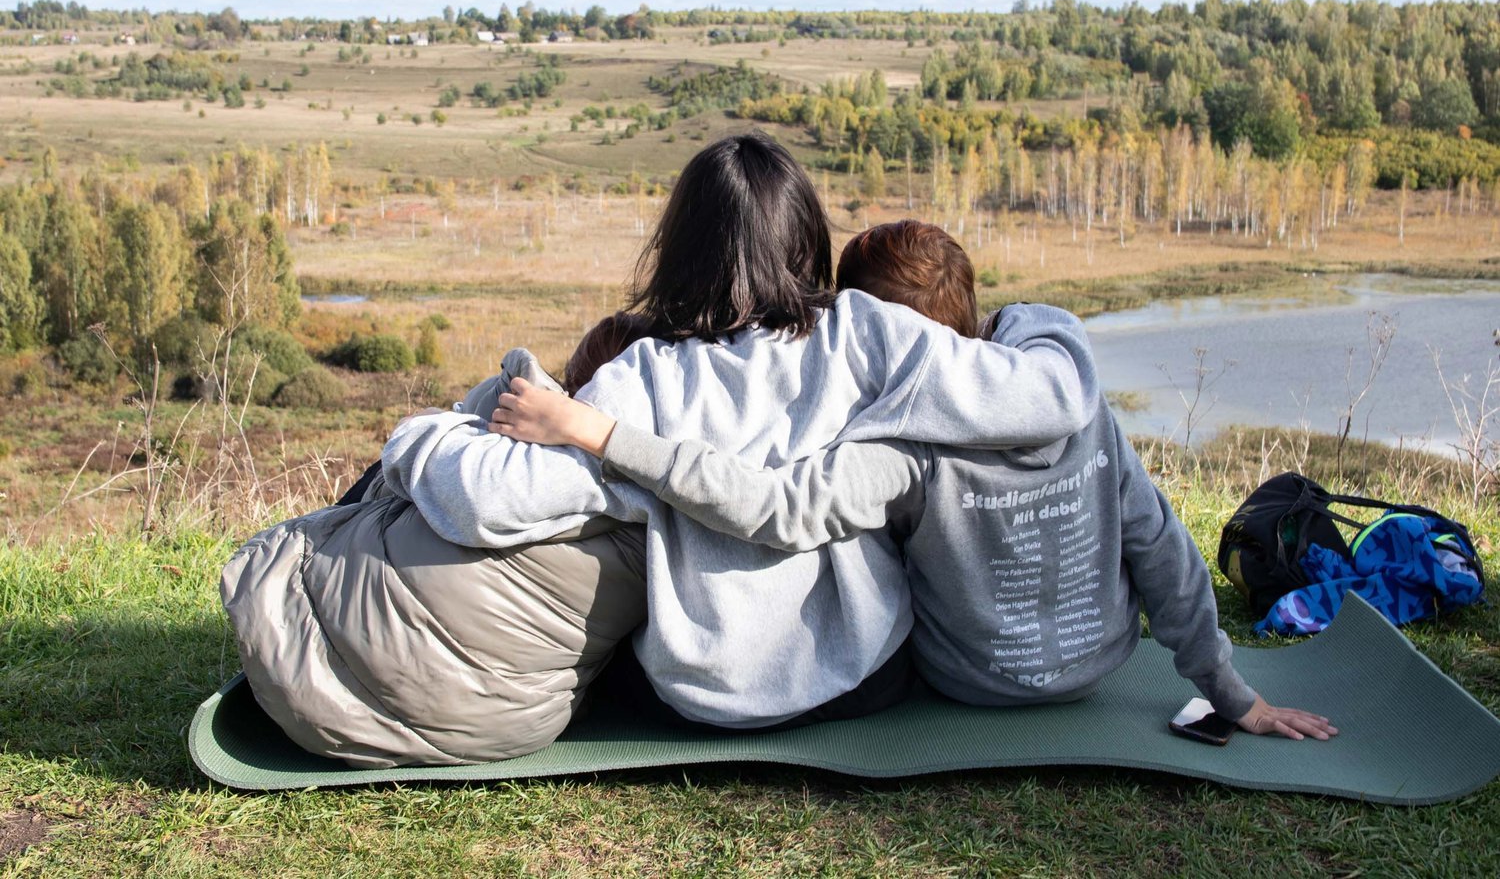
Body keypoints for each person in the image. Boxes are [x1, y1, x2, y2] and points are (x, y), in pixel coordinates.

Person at [493, 220, 1335, 741]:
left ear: (881, 336)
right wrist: (1232, 695)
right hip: (1102, 664)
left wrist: (593, 429)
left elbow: (772, 510)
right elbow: (1163, 548)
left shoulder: (904, 453)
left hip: (970, 684)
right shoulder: (1080, 405)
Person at [379, 132, 1102, 730]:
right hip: (868, 674)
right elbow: (1056, 395)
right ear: (805, 237)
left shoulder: (641, 378)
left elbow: (490, 498)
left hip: (707, 697)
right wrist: (1038, 321)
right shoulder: (870, 333)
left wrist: (420, 434)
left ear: (681, 249)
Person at [220, 315, 652, 766]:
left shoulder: (535, 459)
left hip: (298, 680)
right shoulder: (663, 503)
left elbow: (474, 495)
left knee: (398, 479)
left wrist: (427, 425)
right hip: (503, 730)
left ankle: (315, 582)